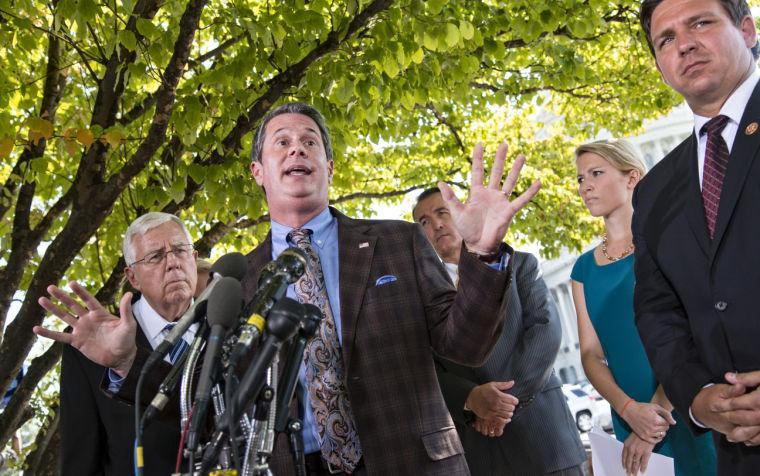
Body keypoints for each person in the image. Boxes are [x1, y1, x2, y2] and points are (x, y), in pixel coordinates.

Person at [241, 101, 540, 475]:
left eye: (309, 141)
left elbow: (466, 345)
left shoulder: (399, 241)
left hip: (410, 461)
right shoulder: (240, 280)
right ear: (258, 171)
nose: (297, 149)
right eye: (281, 142)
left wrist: (481, 253)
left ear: (329, 168)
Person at [635, 0, 760, 473]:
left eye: (701, 23)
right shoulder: (655, 190)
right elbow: (656, 311)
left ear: (747, 30)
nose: (683, 43)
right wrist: (699, 397)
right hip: (739, 454)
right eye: (665, 39)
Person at [413, 187, 586, 476]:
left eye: (442, 212)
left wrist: (500, 407)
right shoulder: (420, 297)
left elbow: (545, 333)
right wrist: (472, 398)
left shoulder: (520, 266)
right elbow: (426, 367)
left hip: (543, 435)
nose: (436, 224)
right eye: (424, 222)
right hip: (480, 448)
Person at [571, 140, 716, 475]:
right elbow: (590, 354)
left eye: (596, 173)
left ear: (631, 178)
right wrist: (629, 410)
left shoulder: (669, 244)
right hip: (628, 419)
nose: (585, 186)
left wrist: (654, 417)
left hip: (683, 407)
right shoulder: (582, 270)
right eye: (580, 178)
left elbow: (694, 333)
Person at [36, 212, 199, 475]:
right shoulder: (92, 345)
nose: (173, 263)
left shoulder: (234, 323)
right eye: (156, 256)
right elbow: (81, 460)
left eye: (180, 250)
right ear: (132, 277)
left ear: (194, 257)